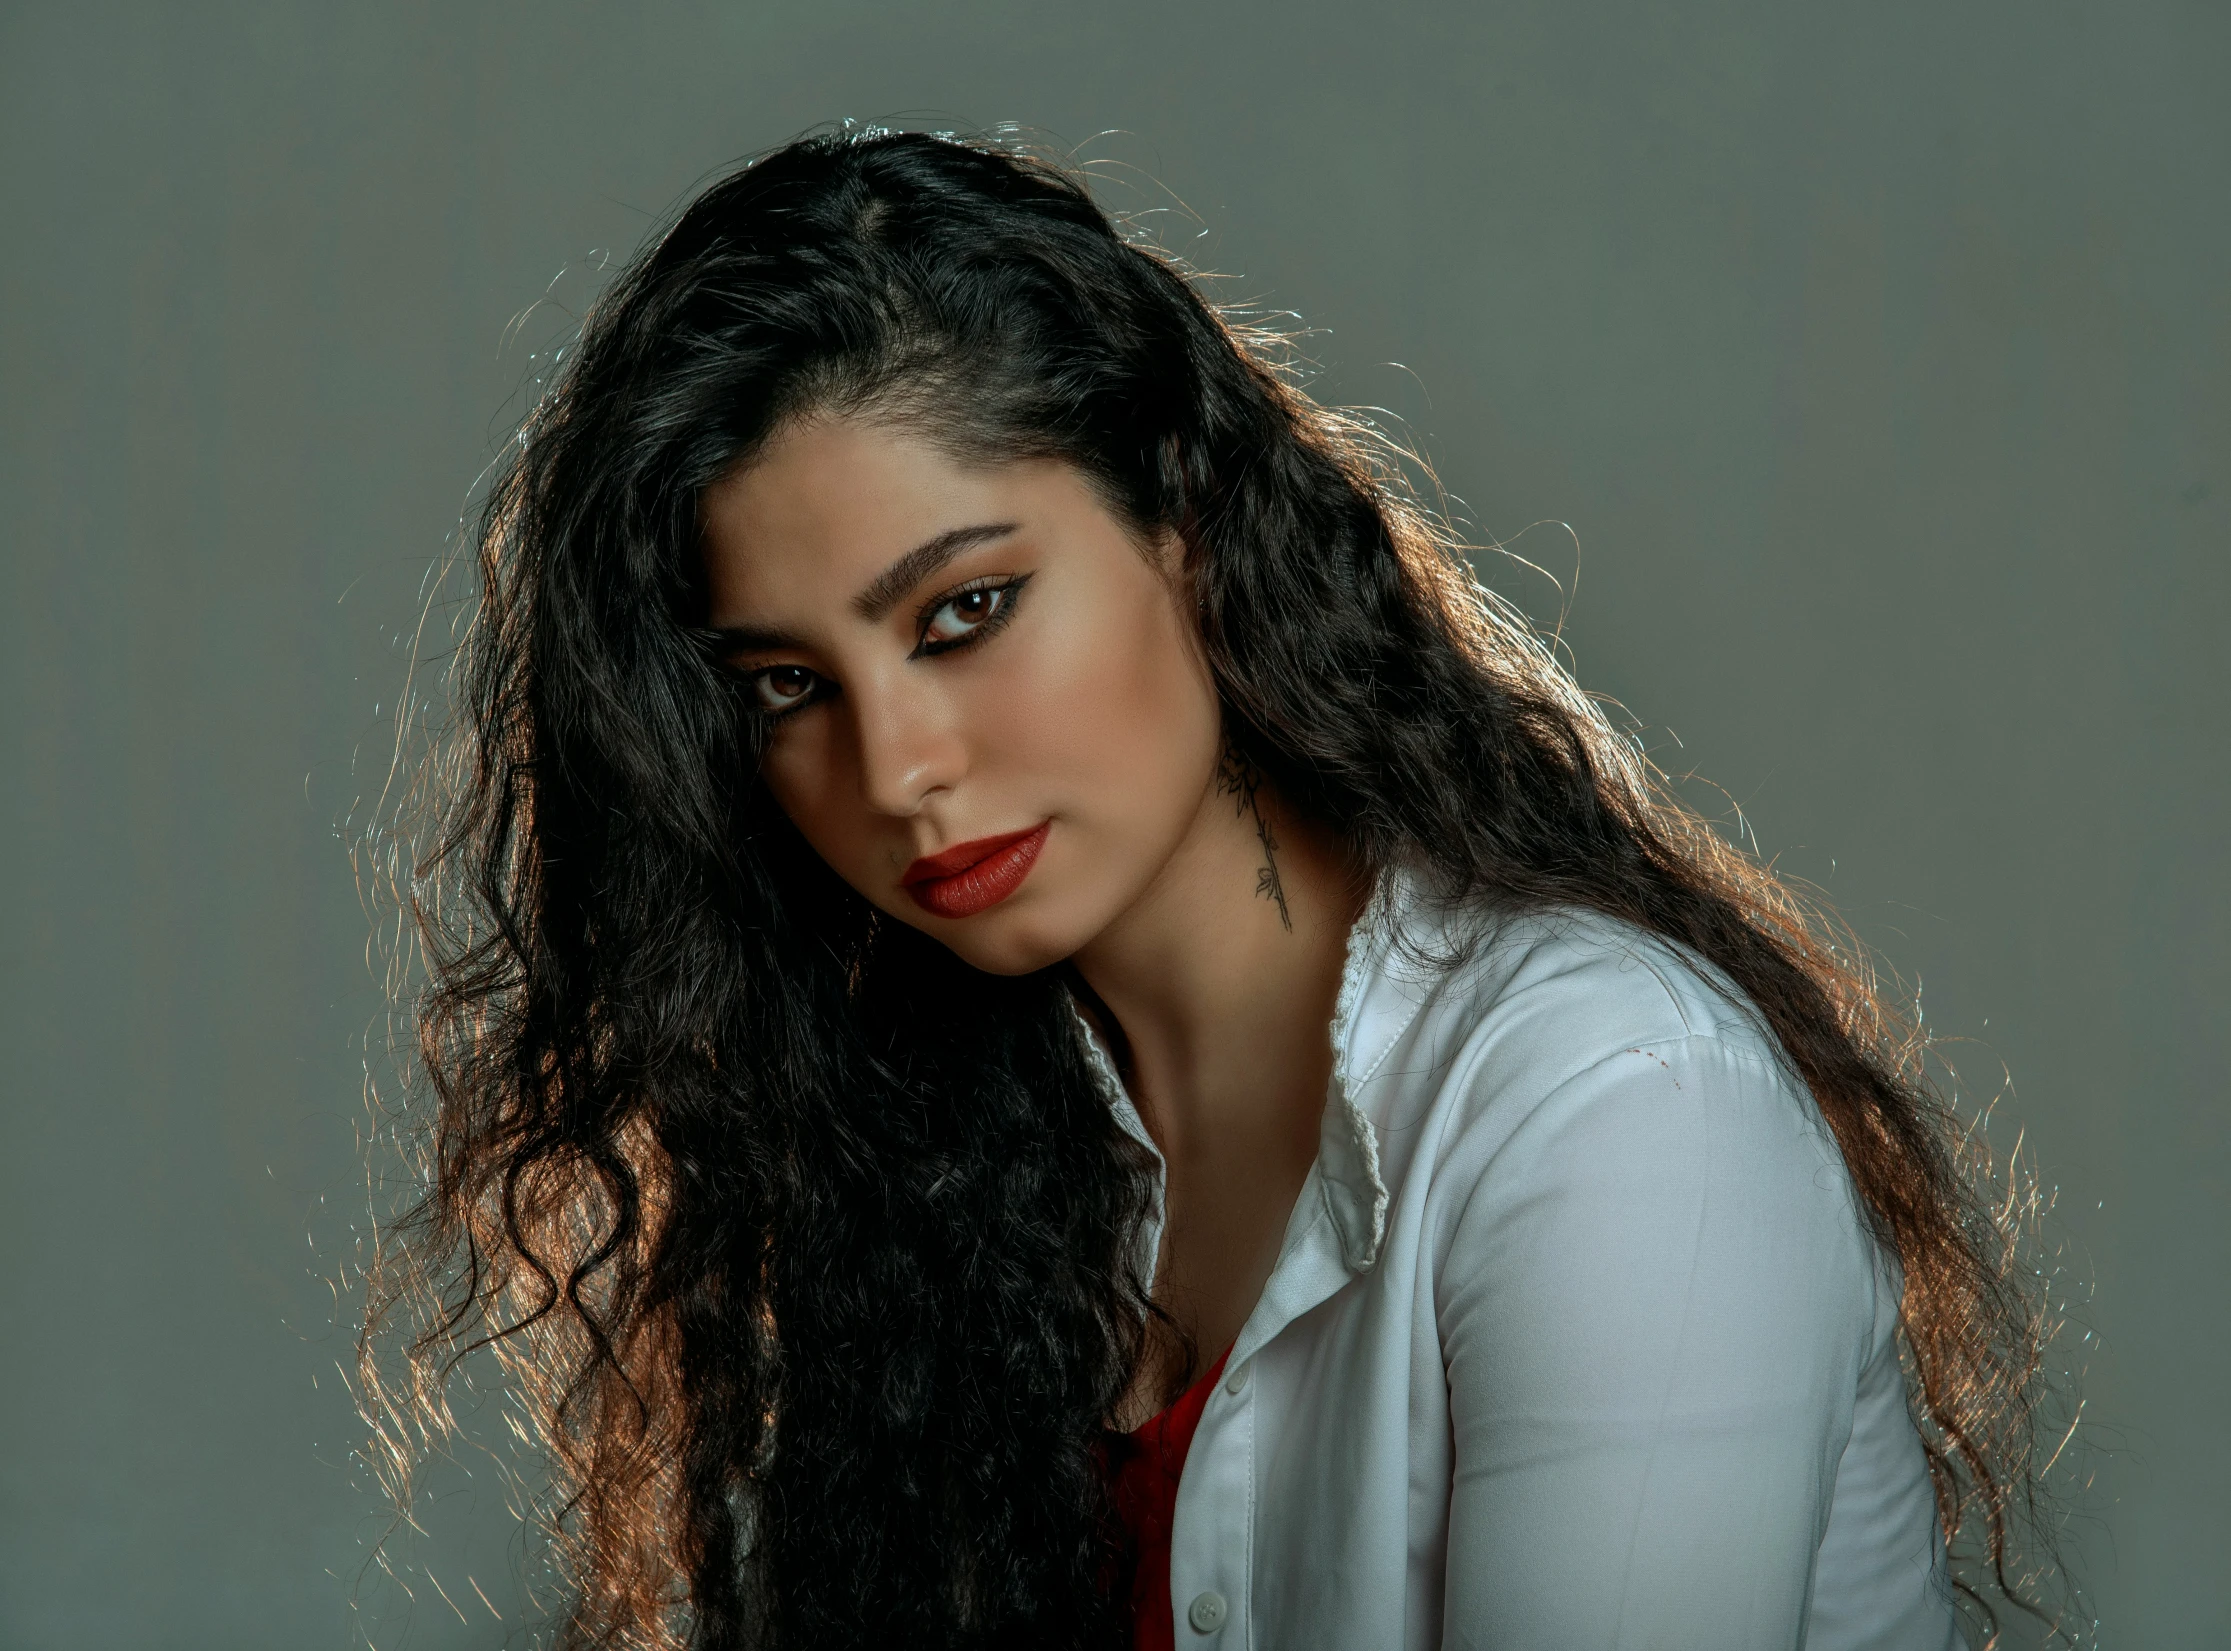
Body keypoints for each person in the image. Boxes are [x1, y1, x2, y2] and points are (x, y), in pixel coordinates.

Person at [363, 127, 2053, 1650]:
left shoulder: (1609, 1107)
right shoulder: (951, 1163)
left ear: (1181, 514)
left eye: (962, 612)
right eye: (787, 686)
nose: (895, 770)